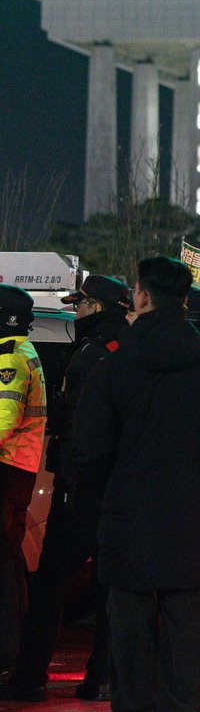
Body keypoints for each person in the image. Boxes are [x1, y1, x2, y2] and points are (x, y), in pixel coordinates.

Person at [70, 257, 200, 712]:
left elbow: (87, 445)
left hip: (128, 511)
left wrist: (111, 482)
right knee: (188, 624)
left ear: (141, 297)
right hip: (191, 510)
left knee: (130, 624)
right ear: (183, 302)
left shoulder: (115, 365)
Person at [4, 276, 128, 702]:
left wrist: (73, 480)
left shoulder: (95, 354)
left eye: (81, 304)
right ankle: (103, 678)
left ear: (96, 307)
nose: (76, 311)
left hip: (82, 487)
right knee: (110, 584)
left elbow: (81, 426)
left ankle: (29, 678)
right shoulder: (124, 348)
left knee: (50, 582)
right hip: (115, 488)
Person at [0, 285, 47, 680]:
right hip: (18, 468)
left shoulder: (10, 357)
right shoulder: (21, 352)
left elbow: (3, 417)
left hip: (7, 468)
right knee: (9, 562)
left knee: (3, 564)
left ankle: (5, 653)